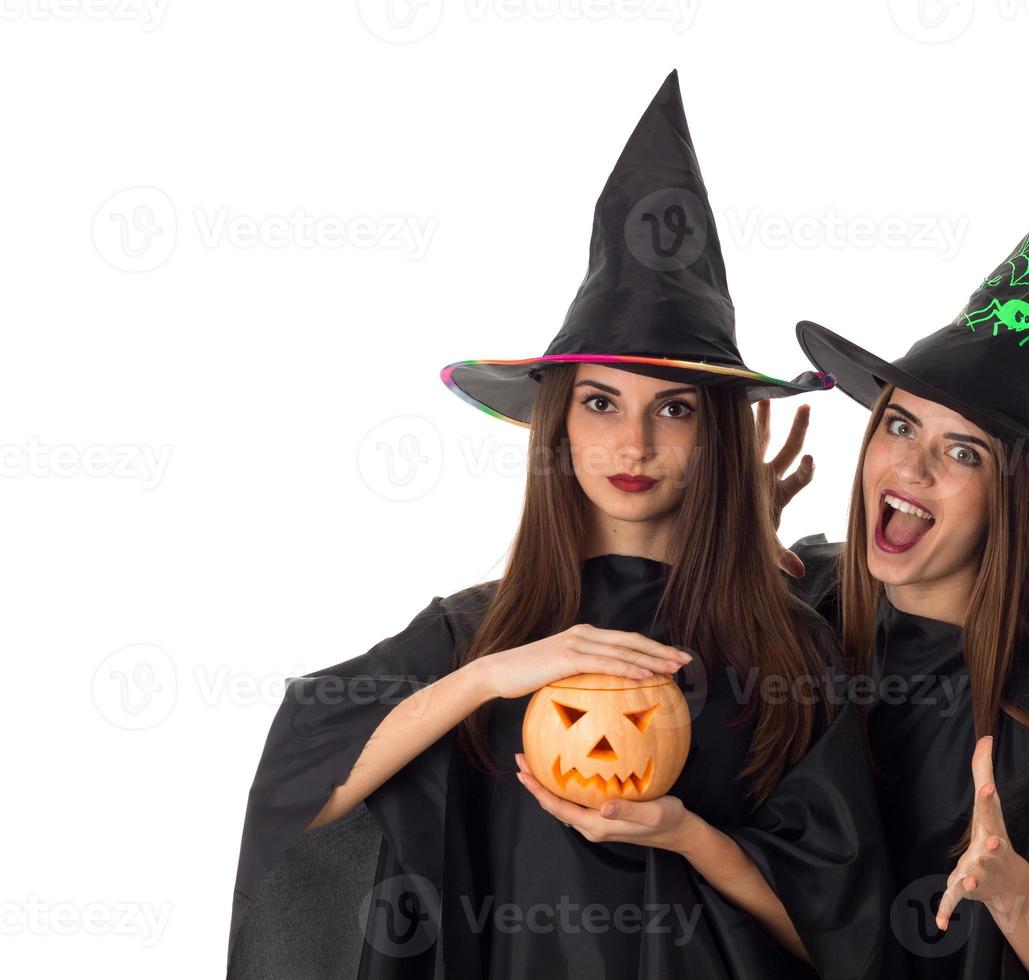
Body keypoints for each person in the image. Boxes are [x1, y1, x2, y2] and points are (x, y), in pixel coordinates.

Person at [225, 70, 887, 980]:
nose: (636, 442)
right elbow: (303, 797)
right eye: (603, 403)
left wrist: (690, 835)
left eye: (678, 410)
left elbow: (841, 930)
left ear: (719, 434)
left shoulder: (789, 650)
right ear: (559, 422)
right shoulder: (473, 634)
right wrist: (488, 678)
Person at [784, 147, 1029, 979]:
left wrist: (1016, 896)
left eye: (963, 454)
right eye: (899, 427)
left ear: (1012, 498)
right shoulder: (807, 601)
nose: (914, 469)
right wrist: (726, 539)